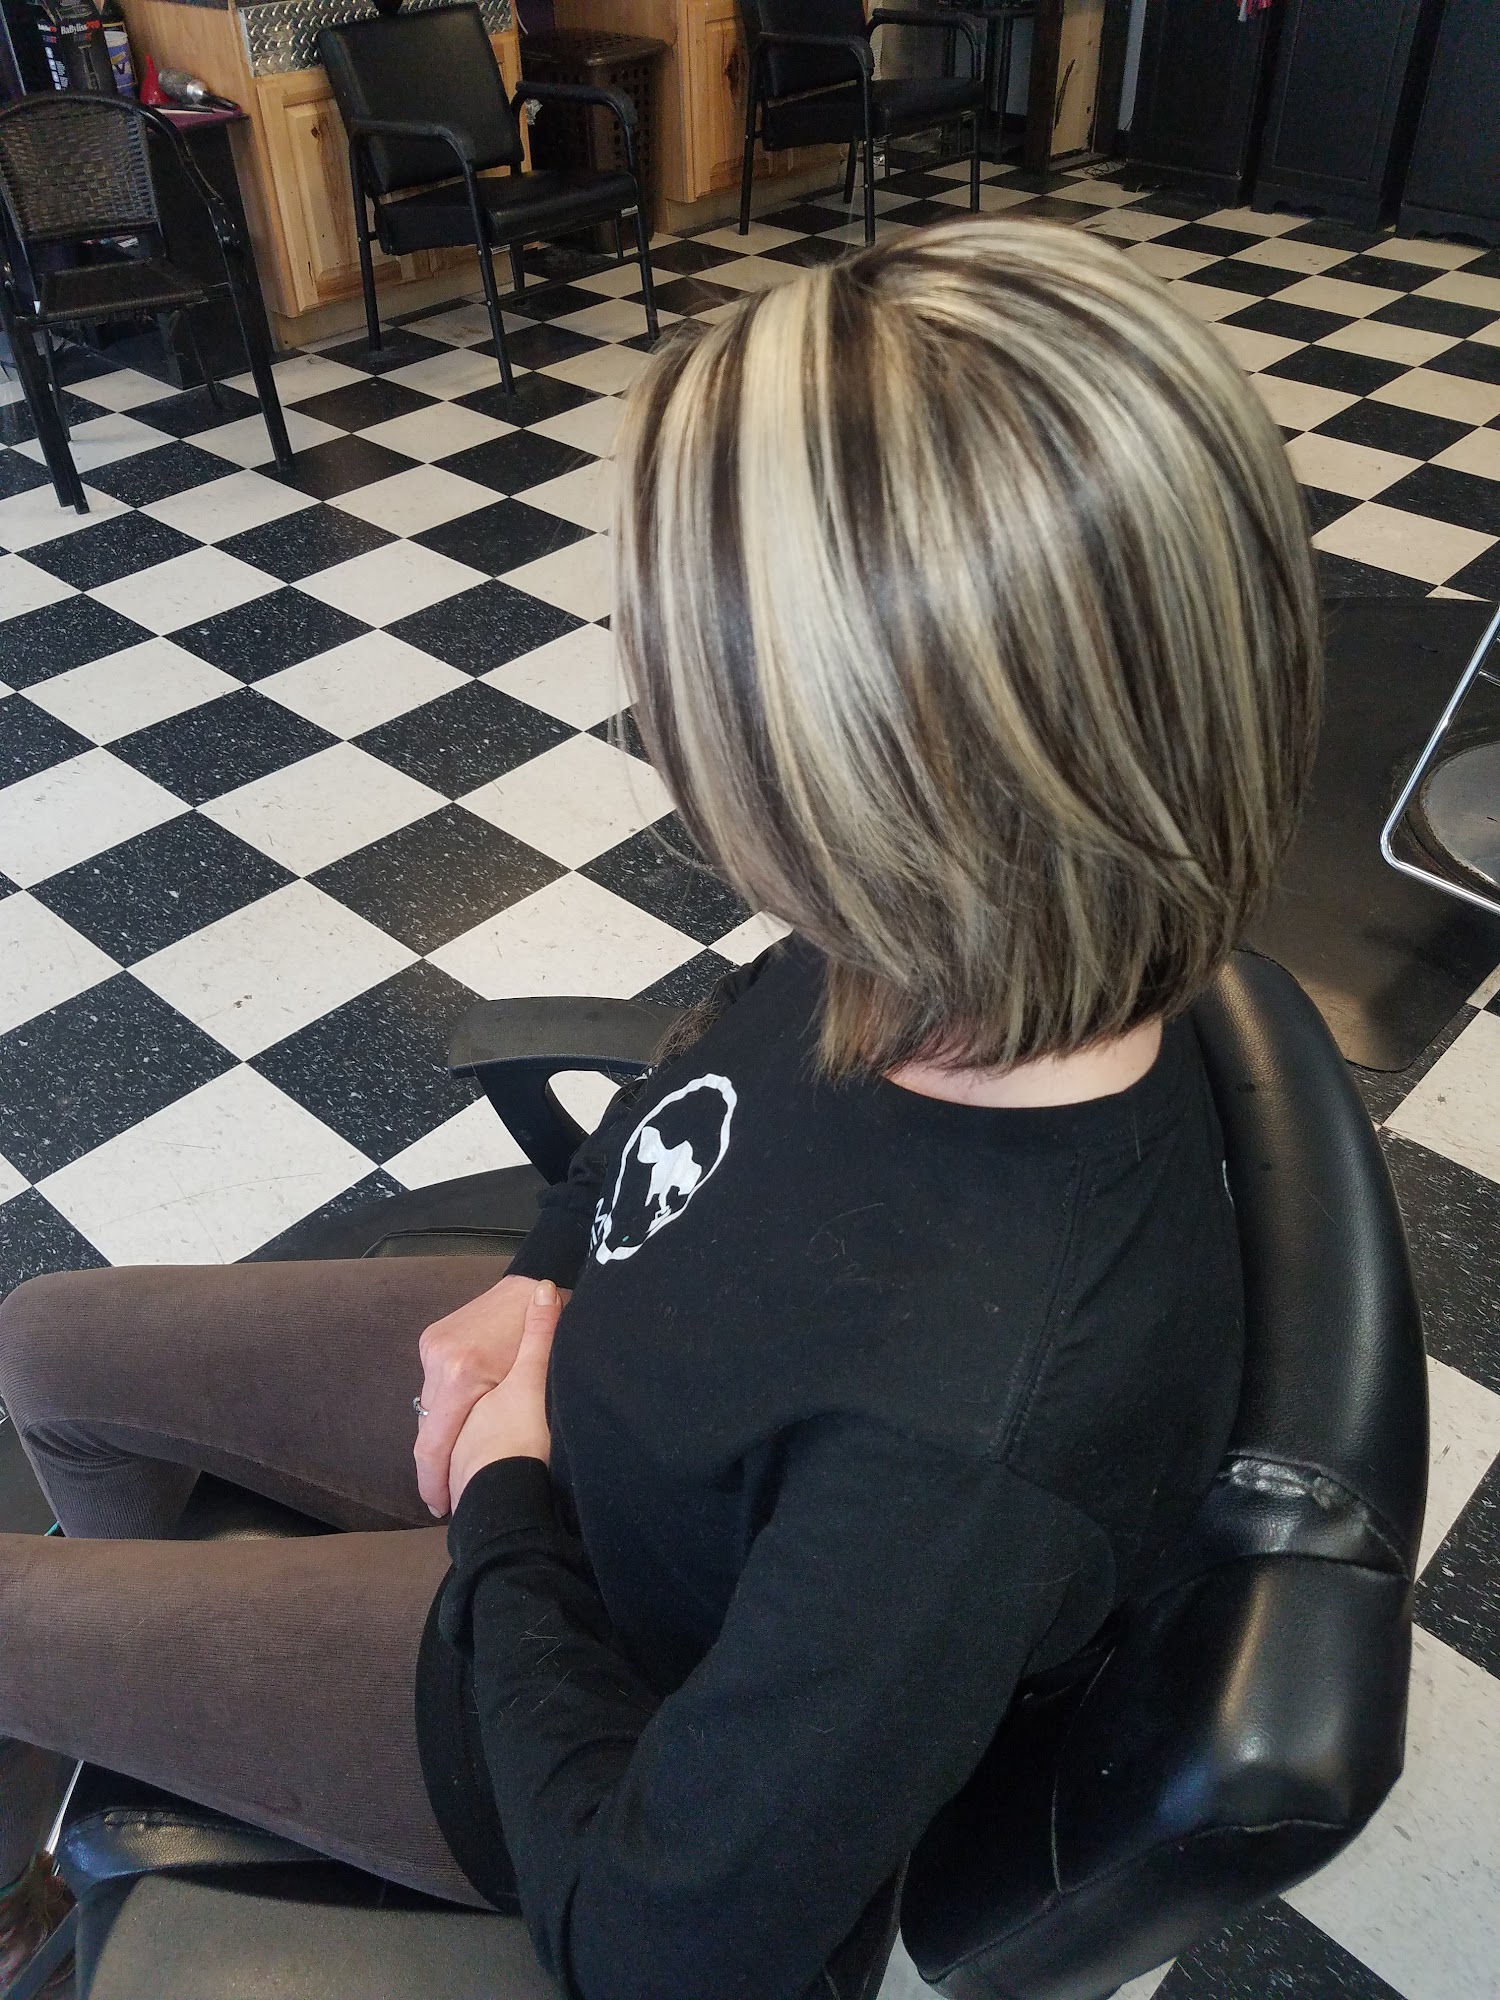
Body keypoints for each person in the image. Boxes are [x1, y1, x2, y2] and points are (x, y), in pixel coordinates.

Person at [0, 217, 1320, 2000]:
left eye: (692, 682)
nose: (652, 714)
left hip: (573, 1693)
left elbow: (662, 1944)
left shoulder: (968, 1453)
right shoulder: (922, 949)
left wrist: (503, 1508)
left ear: (886, 769)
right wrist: (544, 1270)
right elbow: (695, 1091)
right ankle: (144, 1749)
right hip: (587, 1400)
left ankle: (128, 1789)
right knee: (44, 1340)